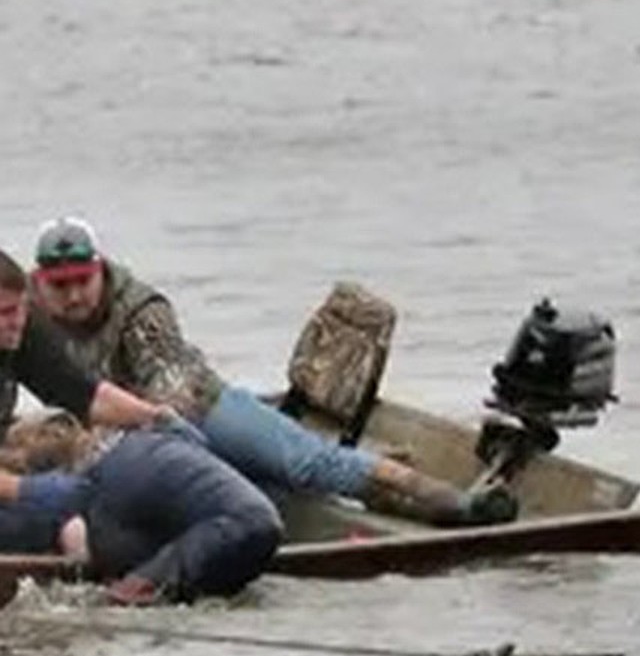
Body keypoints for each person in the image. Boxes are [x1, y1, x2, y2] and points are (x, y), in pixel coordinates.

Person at [30, 218, 516, 528]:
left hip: (201, 408)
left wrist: (112, 436)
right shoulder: (26, 322)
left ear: (100, 271)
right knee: (274, 497)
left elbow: (172, 385)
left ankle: (448, 499)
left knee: (308, 464)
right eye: (60, 286)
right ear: (39, 283)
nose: (73, 296)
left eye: (82, 282)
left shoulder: (141, 310)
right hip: (135, 438)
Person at [0, 245, 199, 538]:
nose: (16, 320)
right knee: (56, 525)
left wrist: (153, 416)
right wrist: (23, 491)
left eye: (21, 308)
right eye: (4, 313)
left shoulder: (19, 327)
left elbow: (84, 394)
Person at [0, 412, 283, 606]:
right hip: (259, 522)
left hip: (230, 528)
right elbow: (190, 433)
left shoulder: (82, 486)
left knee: (113, 601)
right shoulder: (150, 438)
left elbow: (35, 495)